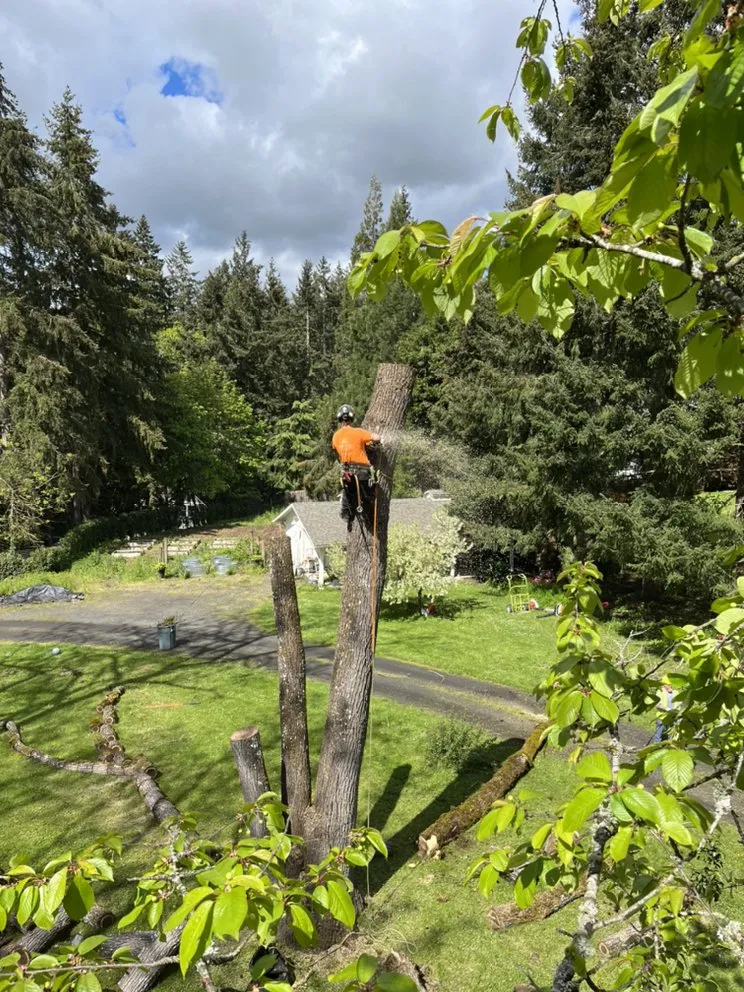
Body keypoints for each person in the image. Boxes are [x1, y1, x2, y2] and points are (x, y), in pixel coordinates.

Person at [331, 404, 381, 528]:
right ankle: (371, 517)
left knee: (349, 493)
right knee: (370, 496)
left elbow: (338, 452)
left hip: (347, 472)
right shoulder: (358, 432)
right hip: (362, 471)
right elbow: (377, 438)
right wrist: (372, 444)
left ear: (339, 419)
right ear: (351, 418)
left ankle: (348, 515)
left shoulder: (335, 436)